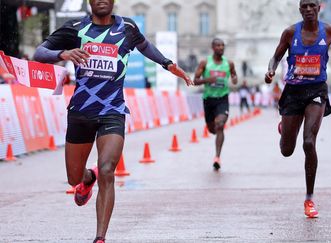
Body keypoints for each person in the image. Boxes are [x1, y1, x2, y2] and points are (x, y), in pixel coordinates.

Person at [33, 0, 192, 242]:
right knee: (74, 179)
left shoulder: (127, 28)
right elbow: (39, 53)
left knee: (108, 170)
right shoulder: (75, 27)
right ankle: (88, 179)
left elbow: (145, 46)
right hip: (81, 112)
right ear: (89, 1)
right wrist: (63, 53)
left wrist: (168, 64)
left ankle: (100, 238)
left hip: (112, 111)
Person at [264, 0, 331, 218]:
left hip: (316, 91)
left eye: (312, 5)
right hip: (293, 91)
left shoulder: (329, 31)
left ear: (319, 8)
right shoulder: (290, 32)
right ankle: (285, 127)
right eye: (305, 6)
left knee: (309, 142)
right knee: (286, 150)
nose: (309, 9)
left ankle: (309, 198)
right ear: (300, 10)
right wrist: (271, 70)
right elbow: (276, 56)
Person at [193, 38, 238, 171]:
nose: (221, 48)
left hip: (222, 99)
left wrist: (234, 79)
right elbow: (195, 80)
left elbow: (234, 77)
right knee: (212, 129)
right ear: (213, 47)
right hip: (209, 99)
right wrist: (208, 80)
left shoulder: (229, 63)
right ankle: (213, 129)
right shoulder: (205, 63)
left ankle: (217, 157)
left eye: (222, 45)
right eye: (218, 45)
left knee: (220, 125)